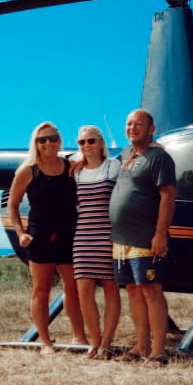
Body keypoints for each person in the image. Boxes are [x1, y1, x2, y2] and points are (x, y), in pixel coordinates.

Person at [7, 121, 87, 356]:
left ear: (60, 141)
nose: (48, 143)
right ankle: (45, 342)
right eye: (42, 140)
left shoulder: (71, 167)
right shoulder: (28, 171)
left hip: (69, 234)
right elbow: (12, 205)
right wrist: (20, 233)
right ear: (35, 143)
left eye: (53, 138)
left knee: (73, 288)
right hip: (40, 236)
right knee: (41, 291)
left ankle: (79, 336)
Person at [109, 109, 176, 367]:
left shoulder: (160, 158)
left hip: (145, 237)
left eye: (138, 124)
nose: (132, 128)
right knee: (133, 291)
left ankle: (158, 351)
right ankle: (141, 345)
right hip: (120, 239)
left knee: (151, 290)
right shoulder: (125, 154)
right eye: (129, 124)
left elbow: (167, 197)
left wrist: (160, 234)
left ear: (151, 129)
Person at [72, 125, 121, 360]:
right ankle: (94, 341)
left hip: (108, 235)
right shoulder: (76, 171)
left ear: (101, 143)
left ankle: (107, 343)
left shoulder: (113, 166)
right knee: (84, 291)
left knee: (111, 289)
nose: (86, 146)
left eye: (91, 141)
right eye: (82, 142)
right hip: (83, 236)